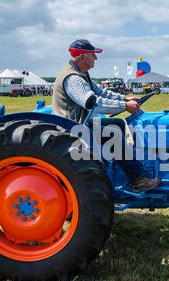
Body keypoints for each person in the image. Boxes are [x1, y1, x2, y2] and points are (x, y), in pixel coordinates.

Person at [52, 39, 161, 192]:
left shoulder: (83, 74)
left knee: (118, 124)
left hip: (80, 123)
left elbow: (101, 92)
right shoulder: (73, 78)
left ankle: (118, 164)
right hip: (72, 128)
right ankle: (138, 179)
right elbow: (93, 102)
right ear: (82, 57)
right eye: (93, 55)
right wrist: (125, 106)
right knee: (114, 135)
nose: (96, 58)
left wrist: (125, 98)